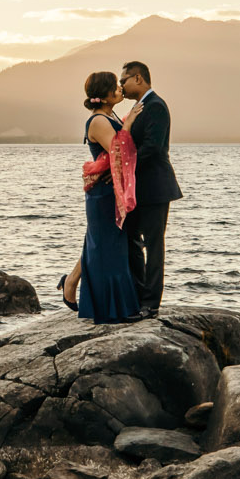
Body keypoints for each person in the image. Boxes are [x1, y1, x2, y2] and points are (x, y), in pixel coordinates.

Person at [72, 70, 142, 324]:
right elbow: (119, 150)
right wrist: (130, 122)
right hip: (103, 194)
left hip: (107, 190)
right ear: (106, 93)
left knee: (109, 245)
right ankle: (111, 310)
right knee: (107, 248)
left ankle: (110, 303)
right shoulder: (98, 121)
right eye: (116, 86)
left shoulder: (108, 116)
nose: (120, 89)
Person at [118, 60, 182, 314]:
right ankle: (136, 295)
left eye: (123, 80)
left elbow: (153, 148)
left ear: (137, 78)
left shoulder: (156, 106)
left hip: (155, 186)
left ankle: (151, 303)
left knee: (154, 245)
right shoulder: (138, 108)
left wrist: (125, 168)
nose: (120, 86)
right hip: (136, 188)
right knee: (131, 241)